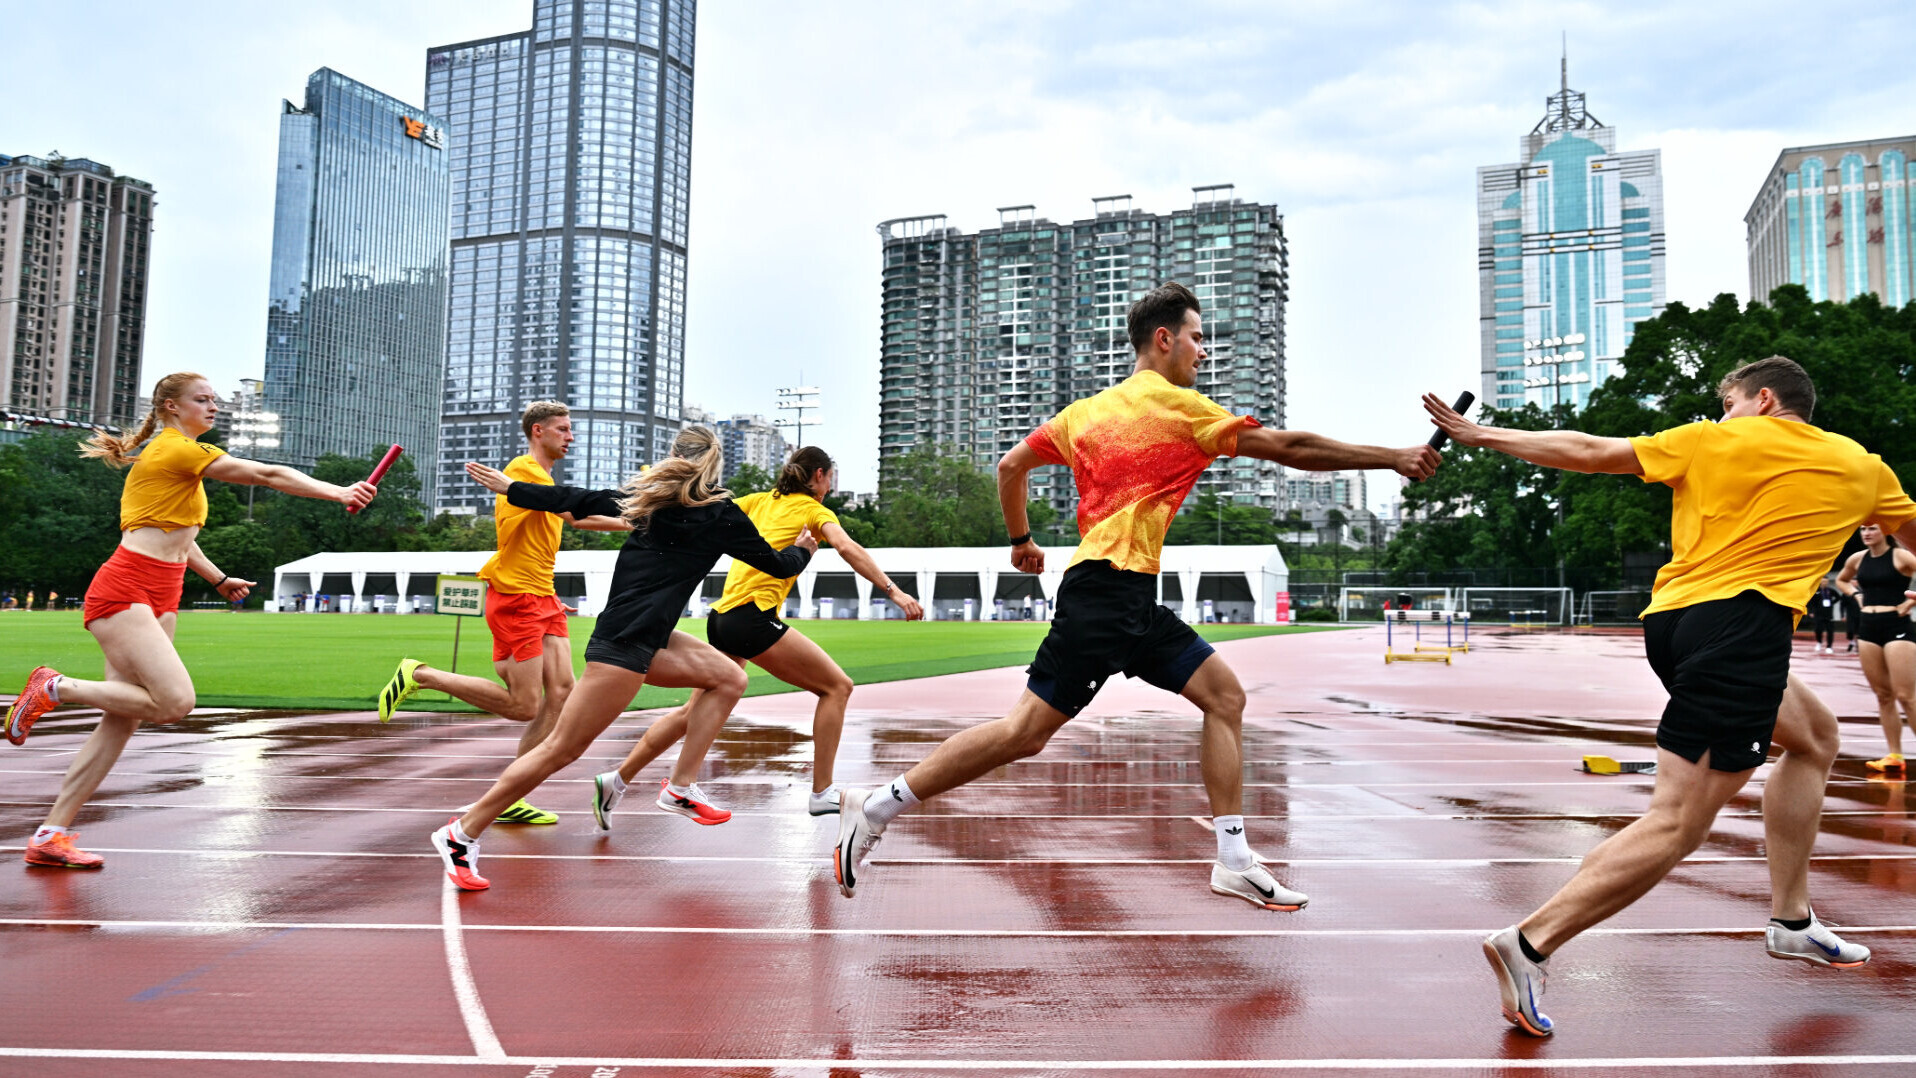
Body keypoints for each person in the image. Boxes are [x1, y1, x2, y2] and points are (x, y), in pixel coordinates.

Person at [828, 282, 1439, 909]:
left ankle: (1232, 859)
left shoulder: (1083, 413)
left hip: (1127, 597)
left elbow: (1010, 467)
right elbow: (1287, 447)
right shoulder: (1181, 409)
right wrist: (1390, 456)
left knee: (1224, 696)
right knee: (1023, 733)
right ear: (1164, 339)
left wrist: (1022, 540)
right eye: (1198, 338)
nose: (1204, 352)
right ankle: (874, 807)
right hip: (1105, 598)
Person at [1423, 355, 1916, 1037]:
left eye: (1730, 401)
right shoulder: (1865, 467)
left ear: (1764, 399)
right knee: (1680, 822)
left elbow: (1592, 452)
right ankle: (1530, 941)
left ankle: (1792, 917)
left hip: (1676, 627)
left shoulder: (1706, 440)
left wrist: (1485, 435)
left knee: (1815, 737)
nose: (1723, 414)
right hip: (1743, 630)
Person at [3, 372, 376, 868]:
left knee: (124, 719)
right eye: (202, 399)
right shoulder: (174, 449)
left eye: (215, 400)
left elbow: (181, 537)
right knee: (175, 701)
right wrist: (338, 492)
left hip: (164, 590)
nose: (213, 407)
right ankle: (55, 688)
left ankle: (51, 834)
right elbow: (266, 475)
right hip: (127, 584)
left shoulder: (181, 462)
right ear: (171, 407)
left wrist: (219, 580)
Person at [430, 426, 816, 890]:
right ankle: (462, 831)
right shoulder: (718, 513)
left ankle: (680, 787)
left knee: (729, 678)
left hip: (648, 635)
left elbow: (573, 498)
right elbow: (777, 565)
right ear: (713, 465)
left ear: (674, 457)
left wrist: (512, 487)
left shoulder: (648, 502)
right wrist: (803, 549)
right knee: (561, 749)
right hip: (625, 645)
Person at [589, 445, 924, 828]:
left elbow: (673, 515)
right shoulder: (815, 511)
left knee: (692, 712)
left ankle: (616, 780)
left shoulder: (758, 501)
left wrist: (608, 518)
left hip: (723, 618)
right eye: (830, 477)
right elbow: (847, 547)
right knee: (837, 687)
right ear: (818, 476)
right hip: (750, 619)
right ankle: (822, 793)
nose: (829, 485)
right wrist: (894, 592)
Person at [376, 401, 624, 825]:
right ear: (538, 431)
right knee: (525, 706)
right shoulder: (525, 470)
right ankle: (421, 675)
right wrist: (635, 521)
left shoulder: (542, 477)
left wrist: (634, 525)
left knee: (562, 693)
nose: (571, 436)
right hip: (517, 595)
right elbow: (570, 510)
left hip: (542, 594)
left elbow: (574, 519)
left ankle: (512, 795)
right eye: (563, 429)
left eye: (570, 429)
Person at [1834, 524, 1916, 773]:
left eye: (1873, 528)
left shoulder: (1900, 555)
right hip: (1868, 627)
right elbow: (1841, 579)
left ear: (1886, 531)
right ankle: (1895, 755)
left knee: (1906, 696)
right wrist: (1856, 595)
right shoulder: (1857, 559)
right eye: (1863, 529)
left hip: (1897, 625)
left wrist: (1909, 602)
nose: (1867, 533)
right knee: (1883, 695)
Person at [1809, 575, 1841, 654]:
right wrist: (1811, 611)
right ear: (1820, 582)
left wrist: (1832, 603)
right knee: (1818, 629)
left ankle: (1829, 646)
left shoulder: (1830, 591)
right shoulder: (1816, 591)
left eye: (1826, 582)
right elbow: (1811, 602)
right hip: (1818, 614)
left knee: (1830, 631)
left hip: (1829, 614)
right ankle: (1819, 642)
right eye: (1823, 581)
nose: (1825, 583)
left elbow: (1838, 597)